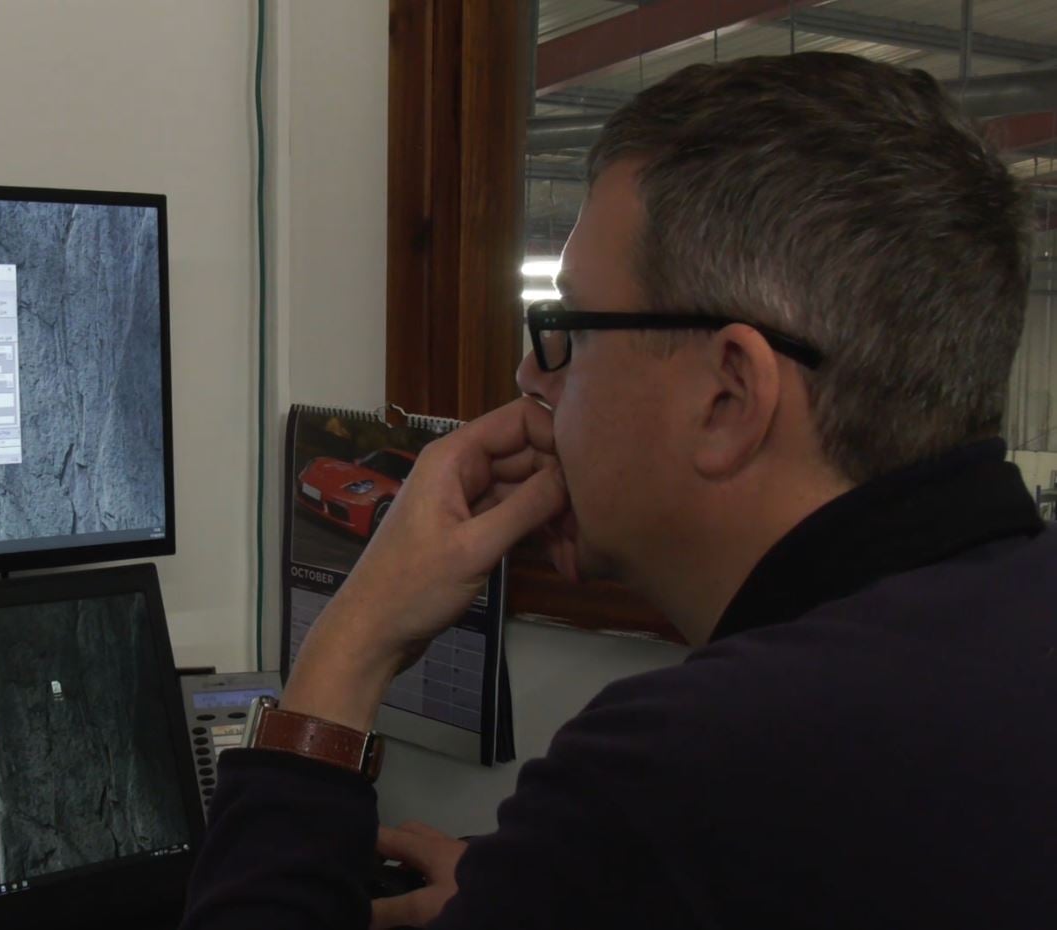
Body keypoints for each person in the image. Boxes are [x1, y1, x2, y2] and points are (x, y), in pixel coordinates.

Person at [180, 52, 1055, 930]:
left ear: (727, 397)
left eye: (569, 328)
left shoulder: (690, 764)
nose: (530, 374)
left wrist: (353, 638)